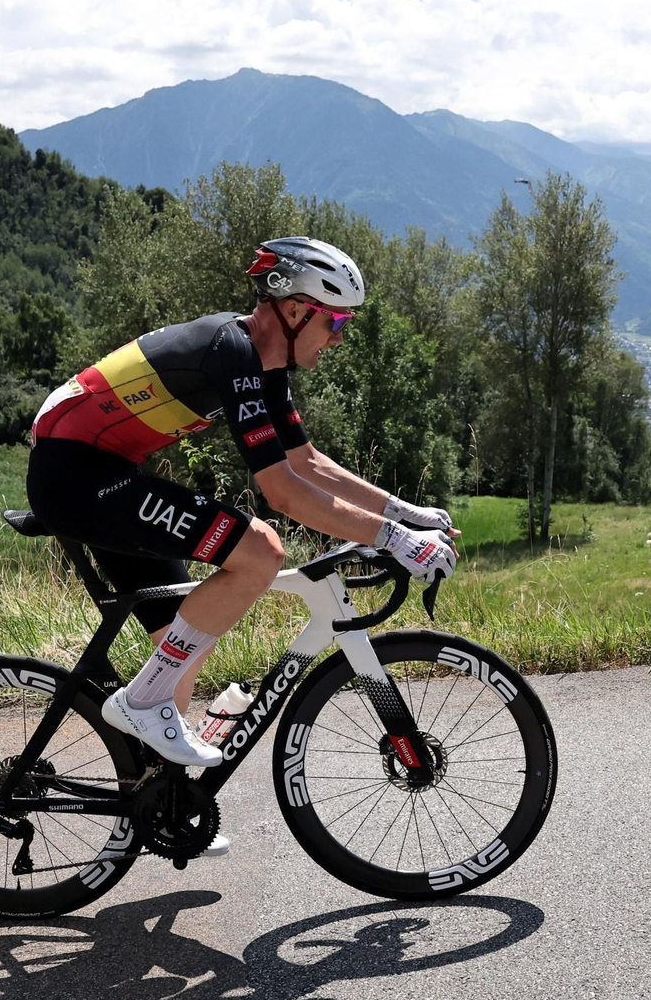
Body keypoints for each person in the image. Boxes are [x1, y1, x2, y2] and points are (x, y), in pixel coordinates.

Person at [26, 236, 458, 819]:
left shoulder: (262, 361)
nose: (338, 337)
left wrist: (404, 514)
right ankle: (140, 703)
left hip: (102, 473)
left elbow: (308, 463)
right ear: (295, 308)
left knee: (178, 658)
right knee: (259, 552)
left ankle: (163, 808)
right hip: (76, 478)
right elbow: (279, 490)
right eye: (334, 321)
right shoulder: (230, 350)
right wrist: (396, 542)